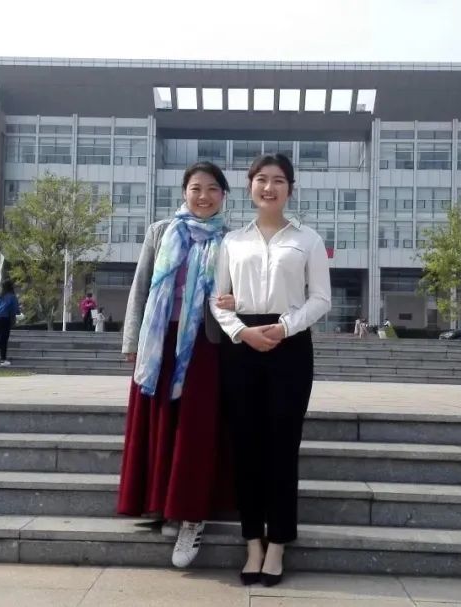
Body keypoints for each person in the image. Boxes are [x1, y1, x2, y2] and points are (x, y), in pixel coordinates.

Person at [211, 154, 331, 588]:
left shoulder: (308, 240)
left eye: (278, 180)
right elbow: (218, 298)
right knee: (245, 446)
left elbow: (321, 298)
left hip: (290, 348)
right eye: (261, 179)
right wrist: (242, 332)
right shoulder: (232, 241)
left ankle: (278, 542)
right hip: (241, 348)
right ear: (249, 187)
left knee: (282, 446)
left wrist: (283, 327)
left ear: (290, 189)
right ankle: (253, 544)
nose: (269, 187)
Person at [117, 161, 237, 569]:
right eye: (196, 188)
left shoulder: (233, 240)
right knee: (158, 423)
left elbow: (242, 294)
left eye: (212, 189)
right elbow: (141, 287)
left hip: (206, 344)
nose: (204, 196)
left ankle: (190, 516)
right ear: (184, 192)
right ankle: (158, 504)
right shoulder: (161, 231)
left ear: (224, 195)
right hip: (159, 342)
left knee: (194, 430)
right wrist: (132, 341)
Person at [0, 280, 20, 367]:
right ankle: (1, 358)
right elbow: (15, 310)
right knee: (4, 339)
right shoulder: (12, 297)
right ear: (11, 287)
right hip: (5, 318)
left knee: (1, 338)